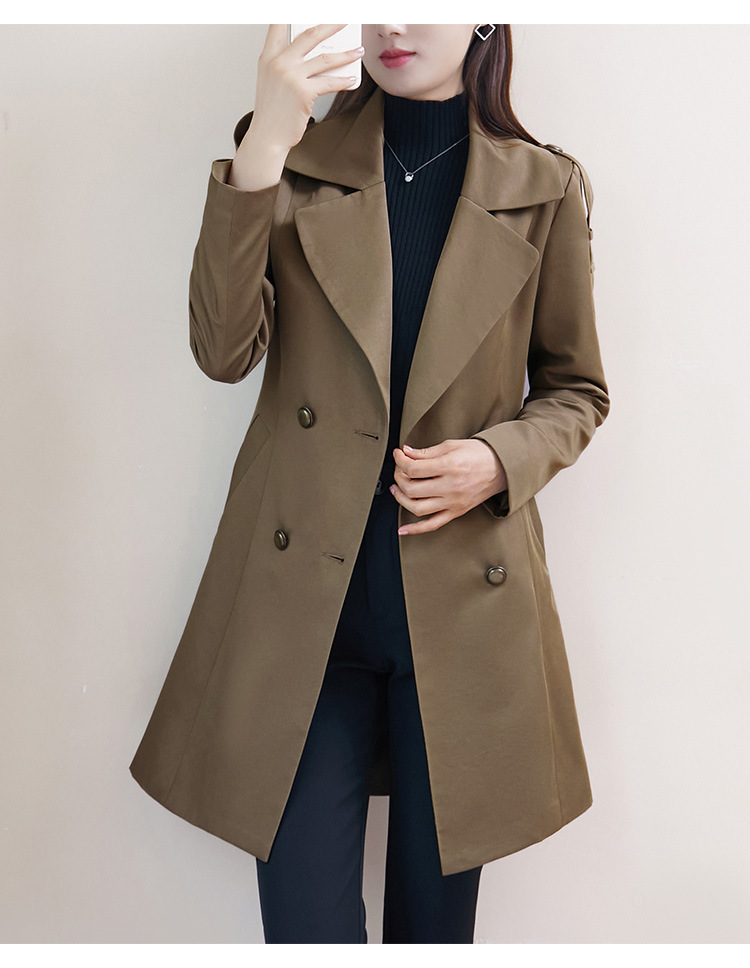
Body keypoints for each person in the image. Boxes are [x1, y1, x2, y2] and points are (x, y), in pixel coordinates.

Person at [129, 23, 610, 944]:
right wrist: (262, 149)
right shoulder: (293, 163)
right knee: (306, 934)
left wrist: (498, 460)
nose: (394, 22)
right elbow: (222, 351)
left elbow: (576, 390)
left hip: (464, 613)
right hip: (303, 619)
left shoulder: (543, 187)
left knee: (434, 936)